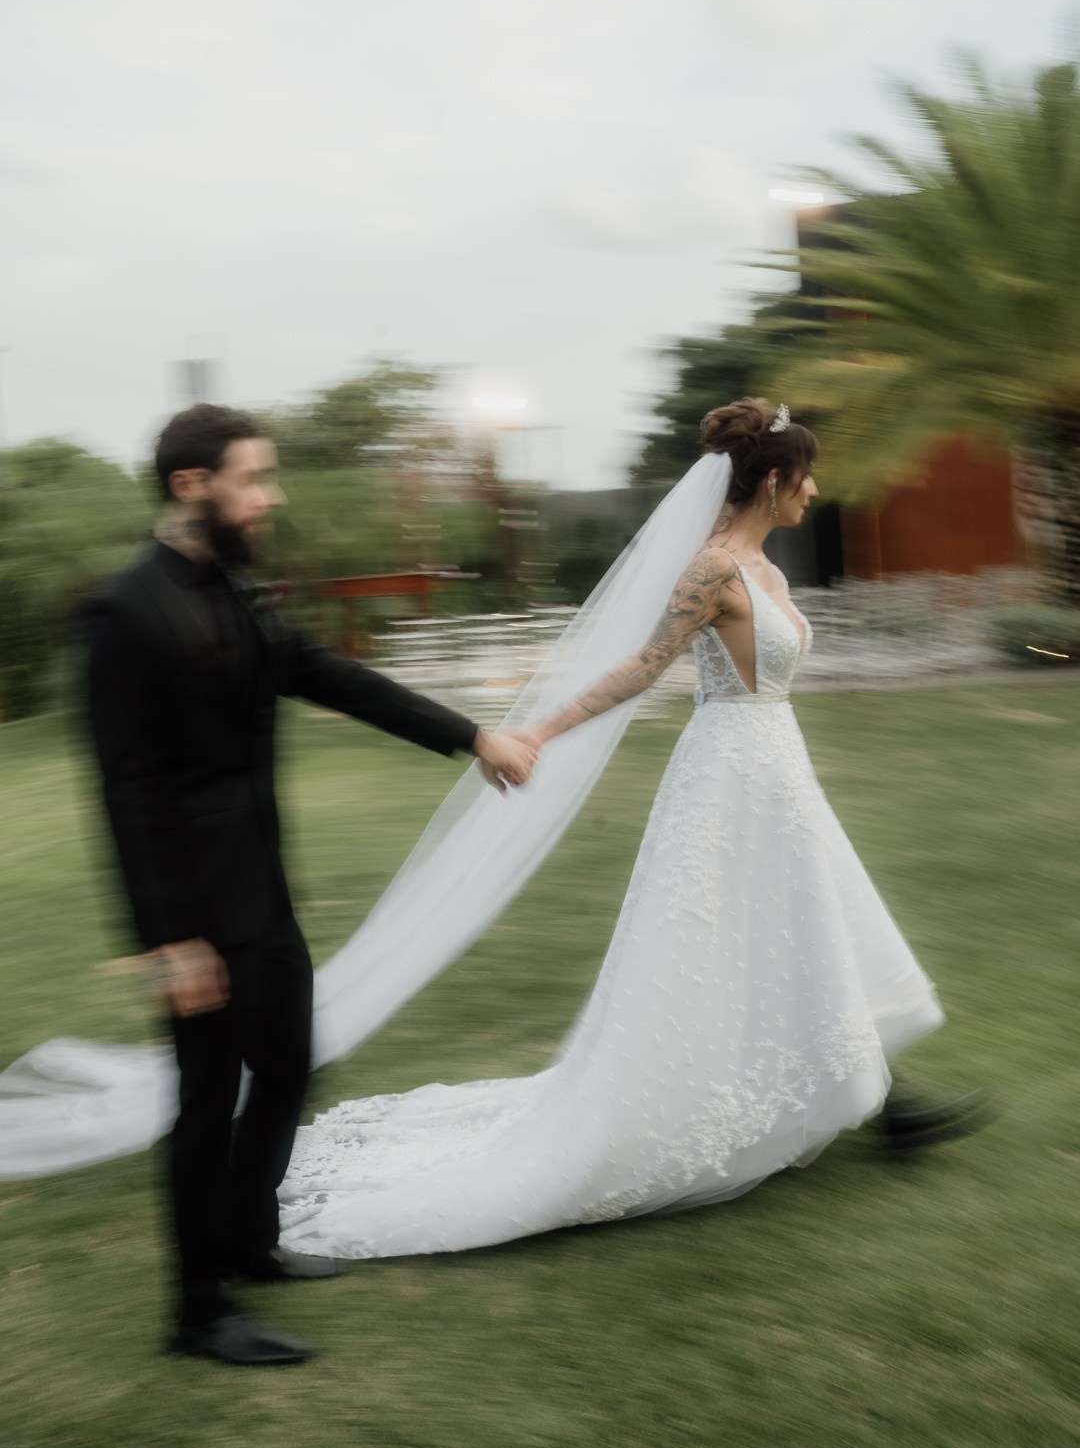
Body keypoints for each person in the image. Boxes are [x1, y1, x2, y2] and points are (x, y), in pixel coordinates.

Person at [274, 398, 985, 1261]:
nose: (815, 491)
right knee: (758, 937)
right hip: (726, 779)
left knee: (806, 929)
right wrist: (538, 732)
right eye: (807, 477)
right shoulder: (712, 569)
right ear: (773, 480)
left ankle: (884, 1102)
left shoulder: (767, 570)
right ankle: (879, 1107)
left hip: (780, 776)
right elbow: (643, 666)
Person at [82, 403, 536, 1366]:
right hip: (197, 917)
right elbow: (126, 793)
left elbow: (334, 676)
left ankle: (250, 1241)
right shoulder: (125, 613)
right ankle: (197, 1311)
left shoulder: (235, 594)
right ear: (191, 486)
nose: (271, 496)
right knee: (207, 1100)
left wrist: (473, 737)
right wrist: (171, 941)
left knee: (290, 1064)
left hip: (266, 896)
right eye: (254, 479)